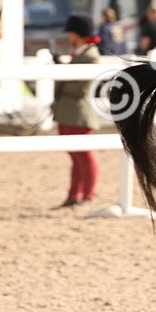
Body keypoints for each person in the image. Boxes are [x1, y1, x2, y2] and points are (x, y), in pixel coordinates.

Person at [52, 12, 101, 207]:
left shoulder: (90, 56)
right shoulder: (80, 54)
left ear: (78, 34)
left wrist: (61, 74)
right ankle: (74, 195)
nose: (68, 37)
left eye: (71, 33)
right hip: (66, 112)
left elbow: (81, 87)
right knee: (75, 156)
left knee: (84, 156)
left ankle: (87, 195)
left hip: (78, 112)